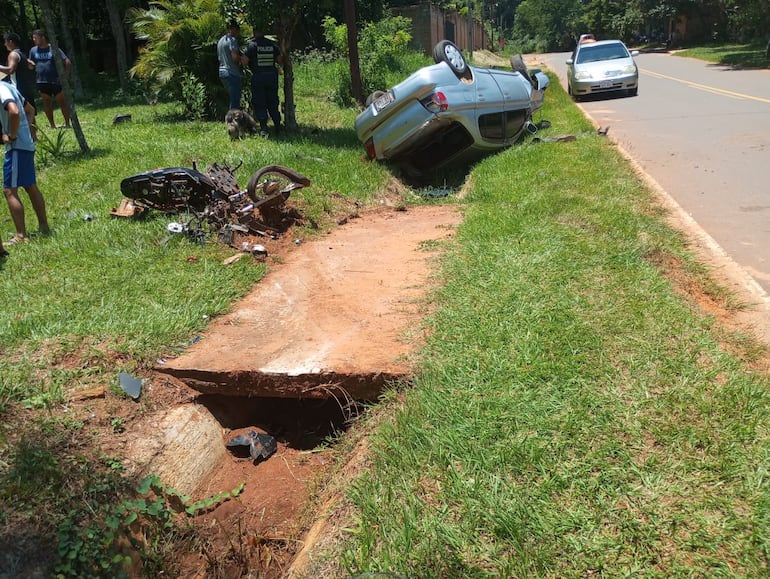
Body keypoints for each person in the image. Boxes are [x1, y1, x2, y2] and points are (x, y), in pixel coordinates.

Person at [0, 81, 49, 245]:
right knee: (30, 186)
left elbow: (14, 112)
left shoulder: (1, 90)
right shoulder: (10, 87)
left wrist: (13, 135)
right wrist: (24, 129)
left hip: (16, 147)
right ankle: (43, 226)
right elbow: (31, 111)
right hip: (26, 144)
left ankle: (21, 235)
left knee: (9, 191)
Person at [29, 29, 71, 129]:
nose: (34, 40)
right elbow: (31, 65)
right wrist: (29, 64)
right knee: (47, 103)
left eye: (35, 38)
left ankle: (67, 123)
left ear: (42, 37)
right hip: (41, 81)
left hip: (55, 80)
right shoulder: (33, 50)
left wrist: (65, 76)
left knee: (62, 102)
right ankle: (52, 125)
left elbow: (67, 62)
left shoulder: (54, 49)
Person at [244, 28, 283, 136]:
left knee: (260, 102)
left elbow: (245, 61)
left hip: (258, 77)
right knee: (273, 101)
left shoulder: (252, 45)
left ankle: (264, 128)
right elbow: (280, 59)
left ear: (254, 32)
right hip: (272, 77)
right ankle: (277, 126)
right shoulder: (272, 44)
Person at [0, 32, 37, 114]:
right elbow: (32, 66)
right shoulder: (21, 54)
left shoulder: (13, 54)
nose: (5, 44)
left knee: (23, 114)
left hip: (19, 89)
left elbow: (10, 70)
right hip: (27, 87)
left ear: (10, 42)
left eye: (5, 42)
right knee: (30, 113)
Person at [217, 20, 245, 111]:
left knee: (232, 97)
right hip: (231, 72)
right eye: (237, 31)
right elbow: (234, 57)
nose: (237, 33)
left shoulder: (221, 40)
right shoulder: (232, 40)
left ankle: (230, 118)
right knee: (235, 99)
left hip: (222, 71)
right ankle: (233, 121)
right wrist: (242, 60)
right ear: (233, 29)